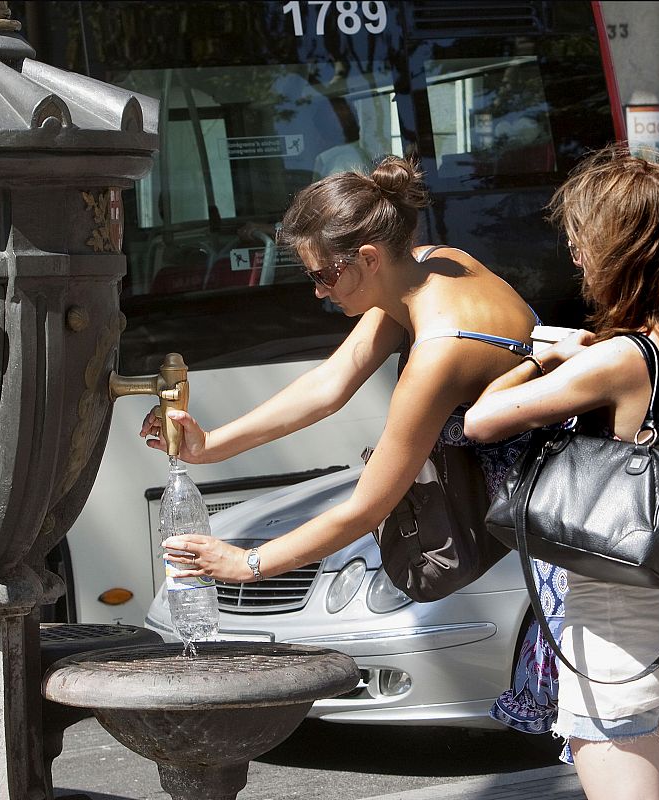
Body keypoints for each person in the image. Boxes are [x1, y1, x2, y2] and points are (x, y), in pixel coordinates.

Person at [139, 154, 549, 596]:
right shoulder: (431, 266)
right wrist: (211, 446)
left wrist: (247, 563)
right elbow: (329, 384)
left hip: (547, 530)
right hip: (531, 518)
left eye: (324, 275)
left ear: (369, 258)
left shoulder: (439, 353)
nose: (319, 292)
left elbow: (367, 507)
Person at [463, 145, 659, 800]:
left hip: (610, 633)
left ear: (621, 251)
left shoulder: (620, 357)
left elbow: (481, 421)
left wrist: (545, 355)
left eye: (583, 242)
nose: (577, 257)